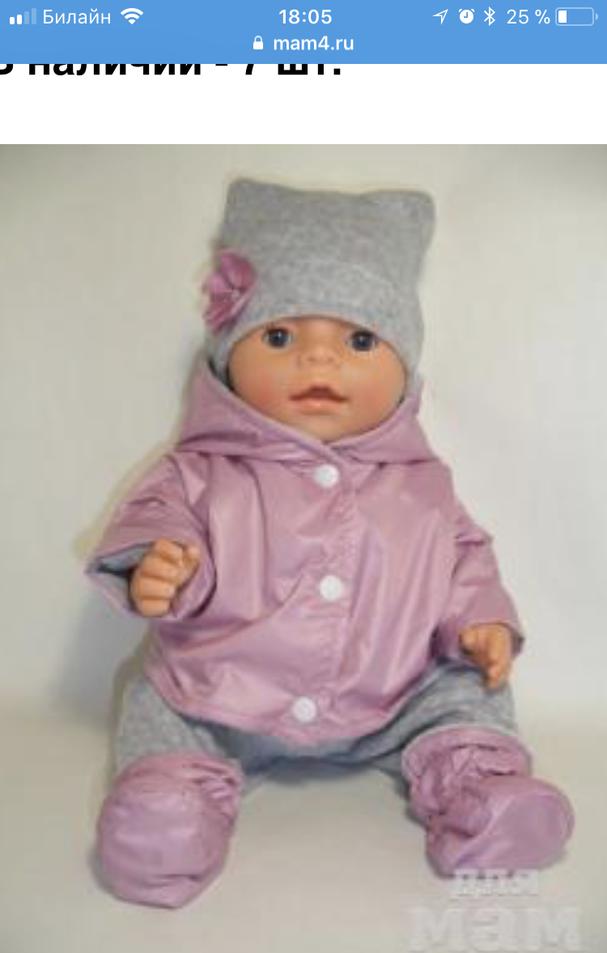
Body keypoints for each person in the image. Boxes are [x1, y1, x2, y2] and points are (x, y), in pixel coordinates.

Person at [85, 178, 574, 908]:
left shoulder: (423, 484)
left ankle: (480, 793)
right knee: (162, 711)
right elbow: (159, 517)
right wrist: (157, 563)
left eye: (359, 340)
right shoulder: (200, 469)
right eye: (281, 338)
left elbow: (464, 557)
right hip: (219, 694)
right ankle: (168, 815)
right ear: (226, 355)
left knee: (467, 693)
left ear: (404, 364)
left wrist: (482, 622)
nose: (318, 362)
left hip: (395, 696)